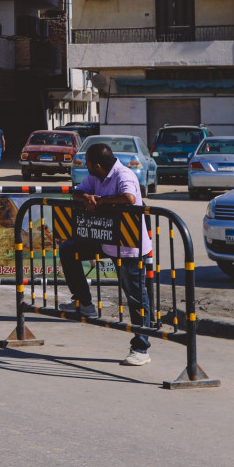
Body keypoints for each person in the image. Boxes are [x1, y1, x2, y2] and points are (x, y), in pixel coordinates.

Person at [57, 142, 153, 367]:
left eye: (88, 164)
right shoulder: (96, 177)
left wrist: (101, 201)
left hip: (129, 246)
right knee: (68, 249)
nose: (86, 167)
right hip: (105, 240)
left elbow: (129, 198)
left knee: (136, 296)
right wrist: (86, 197)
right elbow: (77, 192)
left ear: (97, 165)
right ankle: (84, 302)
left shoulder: (123, 174)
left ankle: (141, 348)